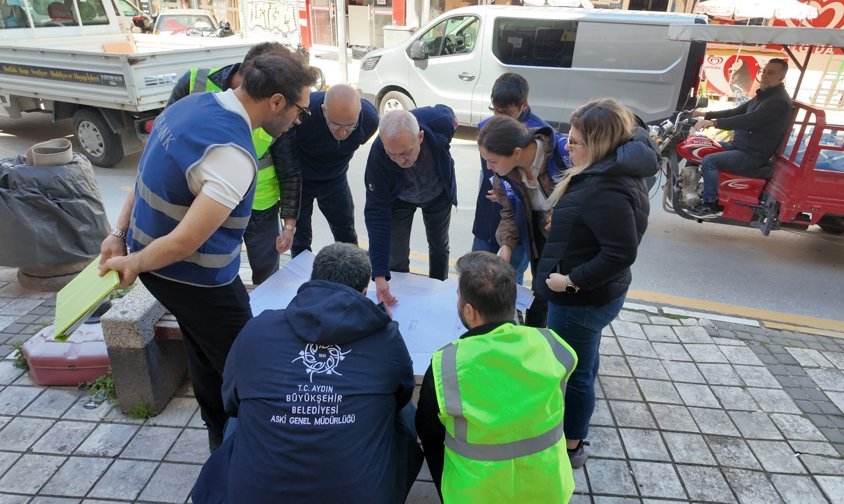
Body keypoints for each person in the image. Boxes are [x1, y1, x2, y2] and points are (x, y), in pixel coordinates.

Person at [99, 51, 318, 452]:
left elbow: (142, 172)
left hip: (159, 267)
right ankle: (263, 450)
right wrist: (131, 261)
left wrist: (119, 233)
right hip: (192, 277)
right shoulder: (232, 155)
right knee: (244, 364)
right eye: (300, 109)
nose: (299, 120)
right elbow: (185, 241)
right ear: (276, 102)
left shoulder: (190, 105)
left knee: (201, 347)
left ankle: (218, 432)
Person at [191, 243, 421, 503]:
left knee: (240, 415)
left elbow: (230, 401)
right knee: (404, 410)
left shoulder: (258, 329)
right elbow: (402, 393)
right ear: (364, 292)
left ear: (312, 281)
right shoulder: (386, 336)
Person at [535, 97, 658, 468]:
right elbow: (601, 231)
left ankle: (571, 446)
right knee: (583, 365)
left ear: (600, 145)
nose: (566, 148)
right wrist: (568, 225)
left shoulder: (605, 186)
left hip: (580, 301)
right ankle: (573, 433)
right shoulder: (608, 172)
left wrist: (568, 283)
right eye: (567, 139)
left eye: (574, 142)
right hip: (594, 296)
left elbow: (620, 253)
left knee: (573, 375)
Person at [415, 252, 577, 503]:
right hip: (550, 490)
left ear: (469, 311)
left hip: (478, 496)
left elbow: (429, 433)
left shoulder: (445, 365)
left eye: (458, 295)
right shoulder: (551, 345)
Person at [166, 42, 301, 285]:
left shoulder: (278, 112)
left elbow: (289, 170)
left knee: (266, 275)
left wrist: (289, 223)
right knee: (214, 272)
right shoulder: (195, 83)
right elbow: (167, 140)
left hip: (260, 208)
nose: (297, 117)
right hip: (205, 203)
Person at [476, 115, 568, 328]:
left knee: (568, 295)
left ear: (517, 153)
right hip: (541, 238)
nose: (489, 167)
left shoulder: (564, 154)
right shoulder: (505, 174)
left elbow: (593, 196)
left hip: (573, 245)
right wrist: (506, 246)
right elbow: (509, 212)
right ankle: (534, 338)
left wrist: (565, 218)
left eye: (493, 161)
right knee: (541, 290)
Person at [364, 106, 457, 307]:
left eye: (405, 152)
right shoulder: (378, 157)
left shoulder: (440, 122)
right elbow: (376, 214)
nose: (400, 161)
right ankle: (399, 297)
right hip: (399, 198)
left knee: (439, 246)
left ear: (420, 137)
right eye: (392, 155)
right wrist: (379, 274)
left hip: (437, 193)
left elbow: (448, 113)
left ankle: (437, 292)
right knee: (395, 253)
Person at [275, 84, 379, 258]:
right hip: (301, 180)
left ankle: (351, 276)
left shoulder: (369, 120)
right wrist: (289, 222)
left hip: (335, 179)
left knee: (346, 234)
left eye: (350, 126)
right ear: (324, 111)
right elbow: (286, 163)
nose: (344, 132)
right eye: (336, 125)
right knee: (300, 239)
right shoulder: (302, 114)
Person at [471, 73, 556, 285]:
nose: (499, 117)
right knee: (477, 271)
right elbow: (488, 171)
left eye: (506, 112)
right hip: (490, 212)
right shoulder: (486, 128)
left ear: (523, 106)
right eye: (495, 110)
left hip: (521, 216)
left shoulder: (542, 140)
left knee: (509, 277)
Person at [689, 58, 793, 218]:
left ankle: (709, 204)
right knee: (697, 146)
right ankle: (689, 189)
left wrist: (714, 123)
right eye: (764, 71)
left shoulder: (778, 102)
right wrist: (704, 114)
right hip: (739, 145)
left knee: (709, 161)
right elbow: (736, 112)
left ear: (781, 77)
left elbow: (749, 120)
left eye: (771, 73)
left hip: (753, 154)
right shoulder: (764, 96)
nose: (765, 75)